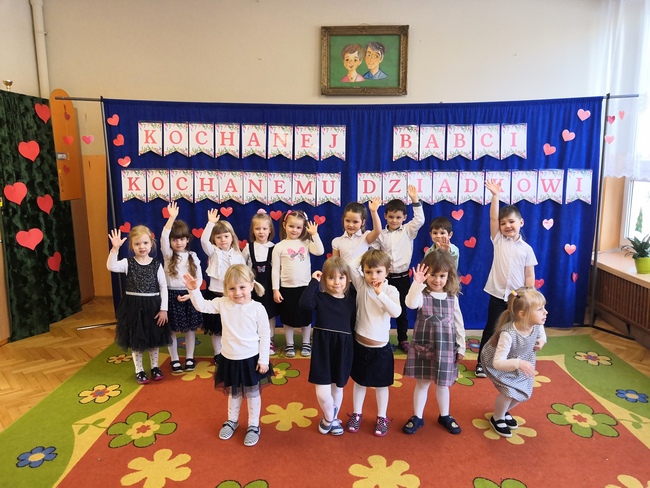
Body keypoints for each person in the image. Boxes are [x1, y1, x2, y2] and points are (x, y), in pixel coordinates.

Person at [184, 264, 272, 447]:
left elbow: (265, 335)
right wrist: (193, 290)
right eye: (232, 288)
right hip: (229, 358)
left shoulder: (258, 308)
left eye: (242, 287)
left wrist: (264, 360)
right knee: (234, 393)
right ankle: (232, 420)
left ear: (251, 285)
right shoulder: (223, 303)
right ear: (225, 289)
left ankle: (254, 425)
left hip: (251, 360)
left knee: (253, 394)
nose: (237, 293)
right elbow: (202, 306)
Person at [475, 180, 538, 379]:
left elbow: (529, 274)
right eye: (503, 223)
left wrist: (529, 296)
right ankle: (481, 363)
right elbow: (493, 217)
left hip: (517, 299)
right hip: (497, 295)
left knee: (515, 332)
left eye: (511, 222)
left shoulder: (527, 249)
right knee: (491, 329)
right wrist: (495, 196)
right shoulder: (498, 240)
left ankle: (510, 364)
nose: (507, 226)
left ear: (521, 223)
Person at [402, 251, 466, 435]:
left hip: (445, 348)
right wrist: (417, 283)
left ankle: (445, 415)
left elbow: (459, 323)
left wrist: (461, 346)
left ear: (449, 276)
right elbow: (410, 303)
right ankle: (417, 416)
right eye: (433, 275)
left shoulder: (452, 298)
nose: (437, 280)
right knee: (422, 383)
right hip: (424, 346)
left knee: (443, 384)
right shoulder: (422, 295)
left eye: (442, 276)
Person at [299, 257, 357, 436]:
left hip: (343, 349)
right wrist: (313, 282)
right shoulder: (320, 298)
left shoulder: (351, 300)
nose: (336, 282)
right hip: (323, 349)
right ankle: (331, 417)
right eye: (331, 278)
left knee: (337, 387)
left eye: (341, 277)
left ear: (347, 279)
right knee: (323, 392)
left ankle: (330, 419)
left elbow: (354, 325)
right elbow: (304, 304)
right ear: (324, 279)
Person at [346, 249, 401, 436]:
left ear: (387, 271)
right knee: (359, 382)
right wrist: (366, 253)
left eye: (378, 271)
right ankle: (357, 413)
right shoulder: (361, 284)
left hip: (380, 349)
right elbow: (349, 265)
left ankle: (381, 416)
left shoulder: (391, 290)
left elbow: (396, 312)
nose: (373, 276)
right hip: (360, 346)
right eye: (368, 272)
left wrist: (380, 294)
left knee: (381, 385)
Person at [480, 287, 547, 438]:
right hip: (502, 364)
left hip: (523, 364)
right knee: (508, 392)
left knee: (523, 393)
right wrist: (519, 363)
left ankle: (503, 411)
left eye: (544, 308)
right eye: (540, 309)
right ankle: (497, 417)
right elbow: (498, 363)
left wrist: (542, 341)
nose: (545, 312)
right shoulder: (508, 333)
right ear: (522, 314)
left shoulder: (537, 324)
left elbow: (542, 334)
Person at [107, 226, 170, 384]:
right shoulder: (127, 263)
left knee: (153, 339)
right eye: (137, 244)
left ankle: (155, 367)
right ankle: (139, 370)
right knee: (136, 340)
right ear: (131, 246)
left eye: (145, 243)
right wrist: (115, 249)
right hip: (133, 307)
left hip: (153, 306)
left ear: (151, 243)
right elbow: (111, 266)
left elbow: (163, 287)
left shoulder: (156, 264)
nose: (142, 247)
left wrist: (164, 309)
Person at [372, 185, 424, 353]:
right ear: (385, 216)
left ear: (404, 218)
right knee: (383, 308)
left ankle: (403, 339)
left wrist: (415, 200)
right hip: (385, 278)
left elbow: (420, 220)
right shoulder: (380, 234)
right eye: (391, 217)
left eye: (398, 217)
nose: (394, 220)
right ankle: (383, 339)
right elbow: (374, 253)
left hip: (402, 278)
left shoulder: (408, 230)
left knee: (401, 310)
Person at [272, 210, 324, 358]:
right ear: (284, 225)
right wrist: (276, 289)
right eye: (291, 226)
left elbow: (320, 251)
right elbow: (275, 269)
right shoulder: (279, 246)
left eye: (298, 227)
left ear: (303, 228)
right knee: (287, 318)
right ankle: (289, 344)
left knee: (305, 318)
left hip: (305, 288)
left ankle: (306, 342)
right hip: (286, 288)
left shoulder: (306, 243)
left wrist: (314, 234)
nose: (294, 230)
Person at [161, 202, 204, 373]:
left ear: (187, 240)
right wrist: (171, 218)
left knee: (190, 330)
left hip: (189, 295)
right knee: (171, 330)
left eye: (181, 239)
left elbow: (199, 278)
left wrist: (191, 294)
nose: (178, 242)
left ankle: (190, 357)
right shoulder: (168, 255)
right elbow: (163, 237)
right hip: (171, 295)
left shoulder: (193, 256)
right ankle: (174, 359)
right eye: (174, 239)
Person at [200, 209, 246, 361]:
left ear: (232, 237)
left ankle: (233, 351)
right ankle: (218, 353)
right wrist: (210, 223)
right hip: (216, 294)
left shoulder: (238, 255)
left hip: (234, 297)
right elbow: (203, 241)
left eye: (226, 236)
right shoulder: (213, 252)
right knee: (217, 328)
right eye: (218, 237)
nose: (223, 240)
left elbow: (243, 276)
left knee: (233, 327)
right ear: (214, 239)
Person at [242, 212, 280, 355]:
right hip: (253, 288)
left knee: (270, 314)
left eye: (264, 228)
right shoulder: (248, 247)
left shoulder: (274, 248)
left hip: (269, 288)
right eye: (257, 229)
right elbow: (241, 265)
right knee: (253, 313)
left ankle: (269, 339)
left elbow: (277, 268)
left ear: (270, 230)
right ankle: (255, 339)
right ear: (253, 230)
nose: (261, 232)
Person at [331, 197, 381, 268]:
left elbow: (377, 231)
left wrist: (374, 212)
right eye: (347, 221)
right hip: (345, 274)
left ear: (363, 222)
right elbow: (335, 265)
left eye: (355, 222)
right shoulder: (337, 241)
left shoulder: (365, 237)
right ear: (343, 219)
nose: (351, 225)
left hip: (362, 274)